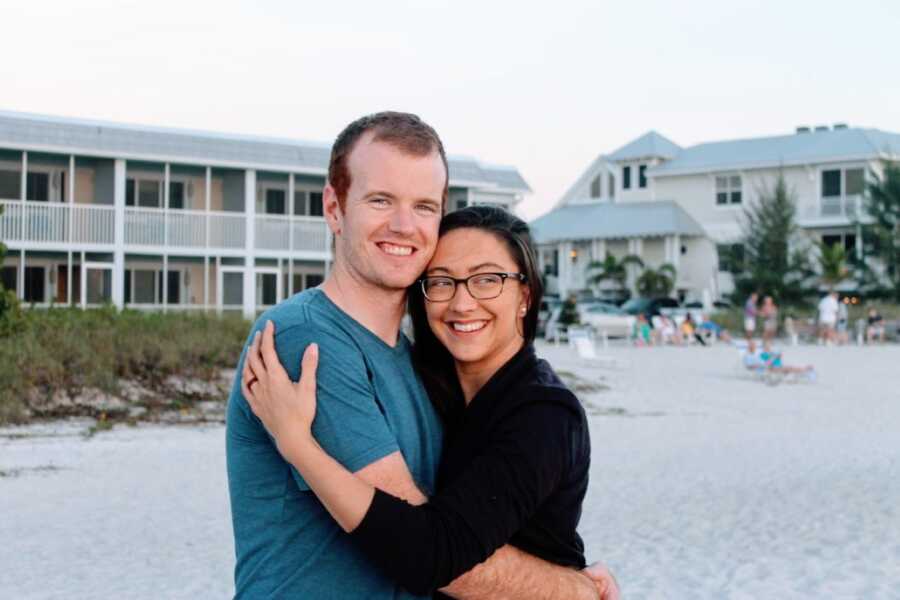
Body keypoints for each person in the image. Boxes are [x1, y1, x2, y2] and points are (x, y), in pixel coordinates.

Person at [226, 114, 617, 599]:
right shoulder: (305, 339)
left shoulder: (418, 366)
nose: (404, 225)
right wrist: (574, 591)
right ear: (333, 207)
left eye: (424, 206)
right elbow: (428, 550)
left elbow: (446, 535)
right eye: (381, 200)